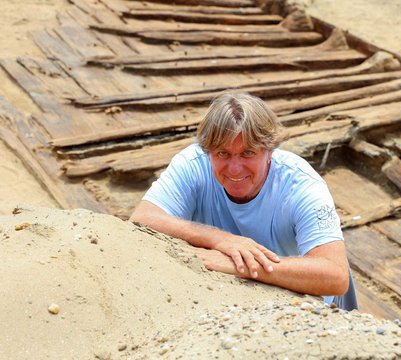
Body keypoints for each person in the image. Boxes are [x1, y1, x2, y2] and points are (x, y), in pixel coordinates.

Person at [130, 92, 358, 310]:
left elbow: (335, 275)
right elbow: (142, 218)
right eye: (222, 154)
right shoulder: (193, 163)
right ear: (207, 151)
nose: (235, 168)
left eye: (248, 153)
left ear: (270, 150)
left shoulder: (302, 187)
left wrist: (242, 265)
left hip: (302, 307)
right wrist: (220, 239)